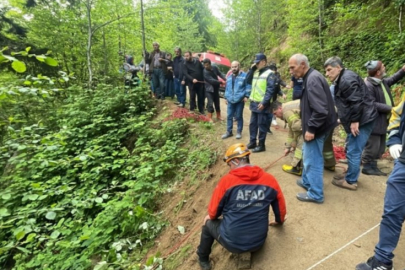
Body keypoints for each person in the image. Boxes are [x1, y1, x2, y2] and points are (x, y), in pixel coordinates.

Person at [196, 143, 287, 270]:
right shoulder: (270, 180)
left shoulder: (226, 182)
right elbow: (281, 210)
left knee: (207, 224)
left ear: (236, 160)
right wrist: (279, 221)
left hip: (232, 243)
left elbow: (213, 213)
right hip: (258, 242)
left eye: (230, 164)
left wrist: (211, 217)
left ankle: (203, 258)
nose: (229, 168)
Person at [355, 97, 405, 270]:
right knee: (392, 212)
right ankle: (382, 260)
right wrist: (395, 139)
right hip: (403, 164)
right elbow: (397, 113)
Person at [288, 54, 337, 204]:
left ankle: (315, 193)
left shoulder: (312, 79)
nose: (290, 71)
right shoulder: (309, 76)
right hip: (321, 125)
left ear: (303, 64)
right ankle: (307, 182)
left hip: (318, 127)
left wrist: (311, 129)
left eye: (292, 67)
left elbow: (321, 110)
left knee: (312, 159)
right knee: (307, 153)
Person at [324, 56, 378, 191]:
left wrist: (354, 121)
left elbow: (356, 101)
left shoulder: (346, 79)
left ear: (338, 67)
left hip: (362, 120)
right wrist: (343, 118)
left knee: (354, 151)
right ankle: (351, 174)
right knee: (353, 149)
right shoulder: (344, 77)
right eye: (326, 71)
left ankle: (350, 181)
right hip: (364, 117)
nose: (327, 74)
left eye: (329, 70)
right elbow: (347, 102)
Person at [362, 61, 405, 175]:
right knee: (373, 145)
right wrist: (392, 109)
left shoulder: (381, 82)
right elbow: (372, 103)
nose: (385, 68)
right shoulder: (369, 85)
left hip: (382, 120)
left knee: (380, 145)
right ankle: (367, 166)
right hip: (374, 121)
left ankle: (373, 165)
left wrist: (403, 70)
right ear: (378, 72)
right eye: (383, 67)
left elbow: (392, 79)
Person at [272, 100, 337, 176]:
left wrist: (294, 144)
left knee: (302, 138)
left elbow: (297, 128)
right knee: (326, 141)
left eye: (275, 113)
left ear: (280, 108)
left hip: (322, 117)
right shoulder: (287, 106)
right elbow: (291, 130)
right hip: (332, 114)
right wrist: (288, 147)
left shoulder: (286, 111)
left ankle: (296, 168)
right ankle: (330, 164)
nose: (276, 116)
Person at [245, 53, 277, 153]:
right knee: (252, 124)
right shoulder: (255, 72)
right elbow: (247, 80)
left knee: (261, 125)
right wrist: (251, 69)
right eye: (255, 63)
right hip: (254, 102)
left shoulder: (270, 73)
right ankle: (252, 142)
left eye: (257, 63)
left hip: (262, 104)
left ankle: (261, 145)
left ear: (264, 62)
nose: (256, 64)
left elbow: (270, 90)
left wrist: (264, 102)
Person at [221, 61, 251, 140]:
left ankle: (239, 132)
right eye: (232, 67)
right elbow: (227, 88)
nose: (234, 68)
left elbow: (248, 86)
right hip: (230, 100)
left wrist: (246, 96)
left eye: (235, 67)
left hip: (240, 100)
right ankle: (229, 132)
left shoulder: (244, 76)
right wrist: (226, 97)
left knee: (238, 116)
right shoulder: (229, 77)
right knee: (229, 116)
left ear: (239, 66)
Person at [268, 64, 288, 133]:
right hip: (266, 99)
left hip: (273, 98)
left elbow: (278, 89)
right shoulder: (265, 78)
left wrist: (282, 94)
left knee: (273, 110)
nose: (274, 72)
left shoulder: (277, 78)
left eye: (274, 71)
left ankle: (273, 120)